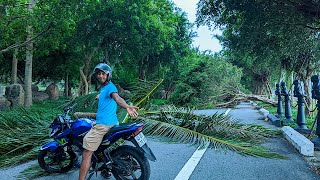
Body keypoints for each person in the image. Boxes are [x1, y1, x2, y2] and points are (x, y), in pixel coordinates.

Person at [78, 63, 139, 180]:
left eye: (103, 73)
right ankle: (106, 170)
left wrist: (127, 106)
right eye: (98, 73)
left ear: (108, 75)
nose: (100, 76)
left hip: (103, 125)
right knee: (103, 148)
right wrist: (99, 97)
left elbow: (117, 98)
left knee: (87, 153)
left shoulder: (111, 87)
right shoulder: (105, 88)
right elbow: (108, 96)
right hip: (111, 123)